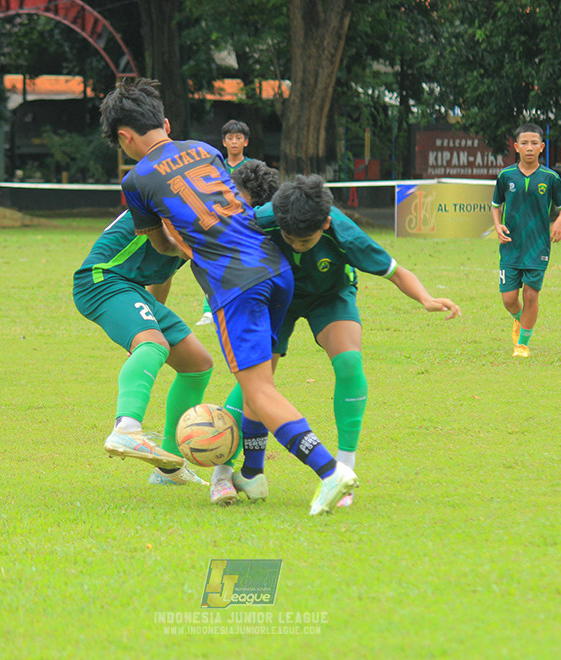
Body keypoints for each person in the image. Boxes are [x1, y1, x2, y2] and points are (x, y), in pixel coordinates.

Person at [99, 77, 357, 516]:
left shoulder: (136, 180)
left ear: (125, 137)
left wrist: (172, 231)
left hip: (235, 285)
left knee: (257, 390)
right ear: (162, 121)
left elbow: (160, 247)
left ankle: (330, 470)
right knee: (259, 384)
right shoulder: (207, 149)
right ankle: (252, 475)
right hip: (275, 268)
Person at [217, 169, 461, 508]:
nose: (296, 245)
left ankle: (344, 467)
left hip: (329, 296)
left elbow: (396, 272)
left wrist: (426, 299)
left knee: (349, 361)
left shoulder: (345, 232)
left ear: (325, 224)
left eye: (305, 240)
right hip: (275, 297)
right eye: (290, 239)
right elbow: (218, 239)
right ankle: (225, 472)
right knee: (256, 379)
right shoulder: (264, 219)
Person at [73, 210, 214, 487]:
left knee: (197, 364)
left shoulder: (196, 206)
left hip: (131, 290)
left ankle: (169, 470)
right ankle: (126, 429)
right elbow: (172, 243)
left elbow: (162, 273)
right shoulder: (175, 201)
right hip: (103, 280)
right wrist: (147, 338)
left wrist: (144, 325)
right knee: (154, 344)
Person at [491, 123, 561, 358]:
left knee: (530, 295)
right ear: (516, 147)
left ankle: (522, 345)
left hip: (538, 246)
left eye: (534, 143)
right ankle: (521, 320)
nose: (529, 147)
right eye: (524, 143)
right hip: (510, 245)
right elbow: (496, 205)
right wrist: (497, 225)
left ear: (542, 147)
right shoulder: (506, 176)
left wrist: (560, 220)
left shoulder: (550, 178)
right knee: (509, 300)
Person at [196, 119, 252, 327]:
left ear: (246, 142)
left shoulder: (252, 167)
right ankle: (208, 311)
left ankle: (241, 309)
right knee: (213, 265)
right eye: (230, 138)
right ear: (224, 142)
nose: (234, 142)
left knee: (244, 266)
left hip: (244, 226)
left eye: (239, 138)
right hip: (218, 225)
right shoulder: (216, 166)